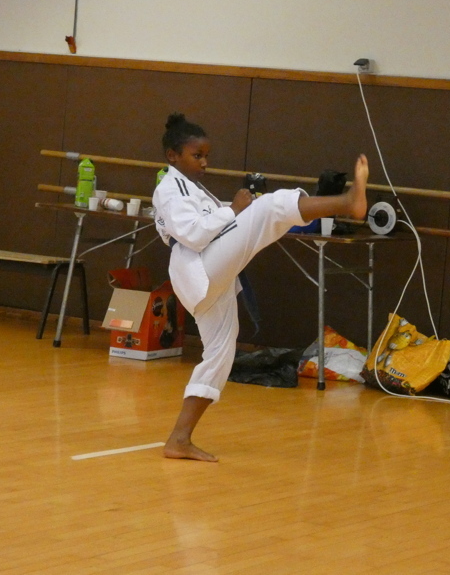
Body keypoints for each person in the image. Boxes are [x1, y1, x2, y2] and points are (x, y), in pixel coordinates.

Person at [152, 113, 369, 461]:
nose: (205, 162)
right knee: (269, 207)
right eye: (197, 155)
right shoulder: (169, 188)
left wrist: (233, 212)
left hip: (207, 275)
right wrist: (234, 210)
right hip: (198, 267)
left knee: (219, 355)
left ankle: (179, 439)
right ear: (172, 156)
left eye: (206, 155)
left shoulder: (191, 187)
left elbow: (212, 227)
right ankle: (346, 202)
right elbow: (193, 234)